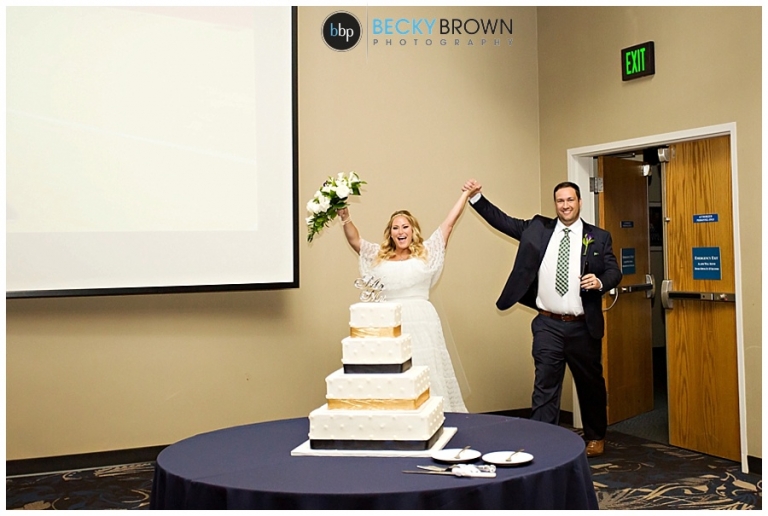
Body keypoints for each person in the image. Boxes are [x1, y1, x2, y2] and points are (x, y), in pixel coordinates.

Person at [462, 179, 621, 457]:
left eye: (570, 200)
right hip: (548, 324)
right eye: (560, 201)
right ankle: (542, 439)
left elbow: (613, 272)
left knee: (590, 385)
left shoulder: (598, 236)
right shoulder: (538, 229)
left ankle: (596, 436)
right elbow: (504, 222)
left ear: (580, 202)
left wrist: (600, 282)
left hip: (583, 326)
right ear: (555, 204)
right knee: (545, 385)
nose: (565, 205)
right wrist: (476, 198)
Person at [336, 190, 471, 413]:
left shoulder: (426, 252)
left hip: (423, 322)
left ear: (413, 230)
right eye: (395, 228)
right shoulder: (378, 255)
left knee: (425, 368)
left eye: (405, 226)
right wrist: (345, 216)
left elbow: (448, 224)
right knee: (394, 373)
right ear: (390, 233)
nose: (400, 231)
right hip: (390, 323)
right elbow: (355, 240)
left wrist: (465, 195)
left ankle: (432, 416)